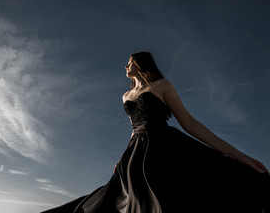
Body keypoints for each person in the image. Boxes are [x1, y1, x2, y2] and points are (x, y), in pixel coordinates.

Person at [40, 51, 270, 213]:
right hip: (136, 151)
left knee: (169, 194)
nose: (125, 65)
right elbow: (134, 129)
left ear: (139, 62)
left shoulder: (162, 86)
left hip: (164, 145)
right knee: (119, 199)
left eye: (129, 61)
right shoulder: (125, 96)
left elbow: (189, 122)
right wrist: (123, 157)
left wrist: (237, 154)